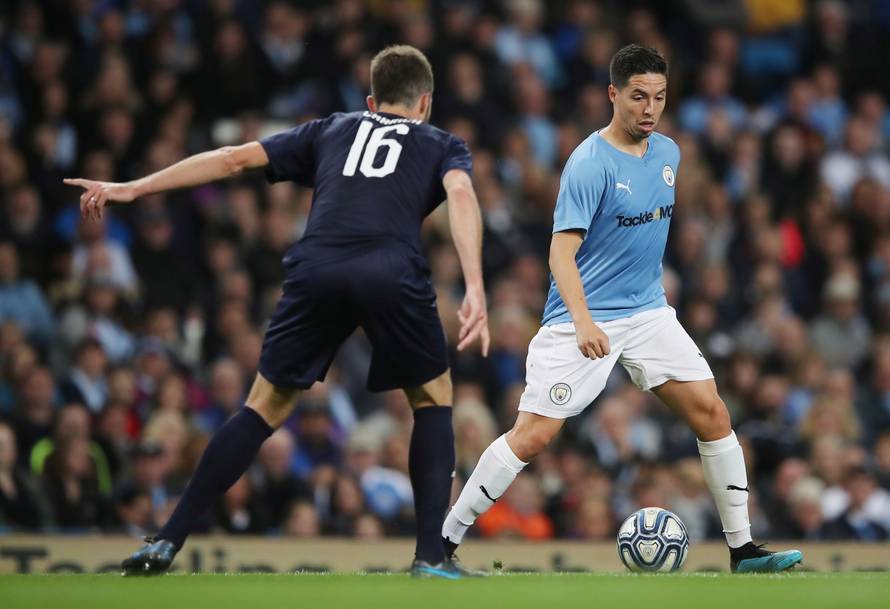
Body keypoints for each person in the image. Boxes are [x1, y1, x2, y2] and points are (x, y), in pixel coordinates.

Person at [65, 45, 489, 578]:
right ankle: (430, 556)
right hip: (390, 268)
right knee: (432, 397)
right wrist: (474, 284)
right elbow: (463, 194)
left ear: (370, 99)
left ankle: (167, 540)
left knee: (263, 406)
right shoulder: (440, 142)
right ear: (425, 102)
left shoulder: (332, 128)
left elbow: (230, 158)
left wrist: (133, 187)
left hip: (317, 267)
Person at [441, 44, 803, 574]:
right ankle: (443, 542)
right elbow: (559, 252)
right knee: (534, 435)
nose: (649, 108)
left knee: (714, 413)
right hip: (581, 319)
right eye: (638, 97)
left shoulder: (669, 155)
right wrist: (585, 321)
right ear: (614, 95)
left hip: (649, 313)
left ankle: (743, 550)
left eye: (658, 97)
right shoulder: (588, 164)